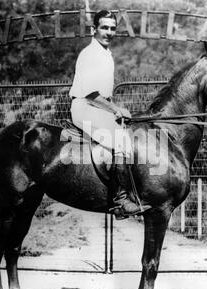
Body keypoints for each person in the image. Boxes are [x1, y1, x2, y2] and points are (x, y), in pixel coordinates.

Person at [69, 10, 151, 219]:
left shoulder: (106, 54)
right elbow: (90, 94)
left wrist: (115, 110)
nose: (109, 32)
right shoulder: (90, 54)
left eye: (112, 28)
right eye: (104, 27)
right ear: (93, 29)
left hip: (97, 108)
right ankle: (121, 200)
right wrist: (115, 110)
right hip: (84, 107)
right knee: (121, 140)